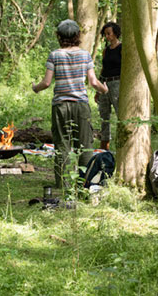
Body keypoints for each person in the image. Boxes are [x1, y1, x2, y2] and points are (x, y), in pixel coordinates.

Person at [32, 19, 109, 188]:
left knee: (62, 145)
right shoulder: (85, 55)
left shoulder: (55, 55)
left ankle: (63, 184)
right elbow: (93, 82)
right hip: (81, 105)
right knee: (85, 145)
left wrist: (35, 88)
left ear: (59, 36)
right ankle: (85, 182)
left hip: (60, 106)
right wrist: (104, 90)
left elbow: (46, 82)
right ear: (77, 36)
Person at [96, 22, 121, 151]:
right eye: (105, 34)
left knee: (119, 113)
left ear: (115, 33)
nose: (107, 37)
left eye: (109, 34)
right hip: (105, 83)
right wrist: (98, 89)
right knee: (104, 116)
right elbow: (103, 69)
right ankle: (104, 149)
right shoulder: (106, 51)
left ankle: (121, 144)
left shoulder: (122, 48)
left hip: (117, 83)